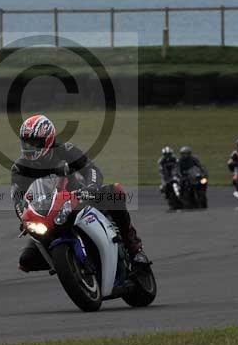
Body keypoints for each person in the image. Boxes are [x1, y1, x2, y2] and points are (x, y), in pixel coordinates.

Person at [11, 114, 149, 272]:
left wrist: (90, 187)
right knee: (26, 261)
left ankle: (135, 249)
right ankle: (68, 265)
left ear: (47, 139)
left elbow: (91, 169)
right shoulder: (20, 167)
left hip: (80, 198)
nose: (30, 147)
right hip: (49, 213)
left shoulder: (65, 150)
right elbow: (17, 198)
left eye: (34, 142)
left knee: (114, 192)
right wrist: (24, 217)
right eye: (26, 142)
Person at [157, 146, 178, 210]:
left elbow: (178, 166)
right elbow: (161, 170)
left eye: (169, 154)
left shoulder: (175, 159)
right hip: (166, 177)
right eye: (166, 155)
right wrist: (165, 178)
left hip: (175, 175)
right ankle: (169, 200)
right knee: (163, 187)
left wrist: (177, 174)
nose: (167, 156)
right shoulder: (161, 161)